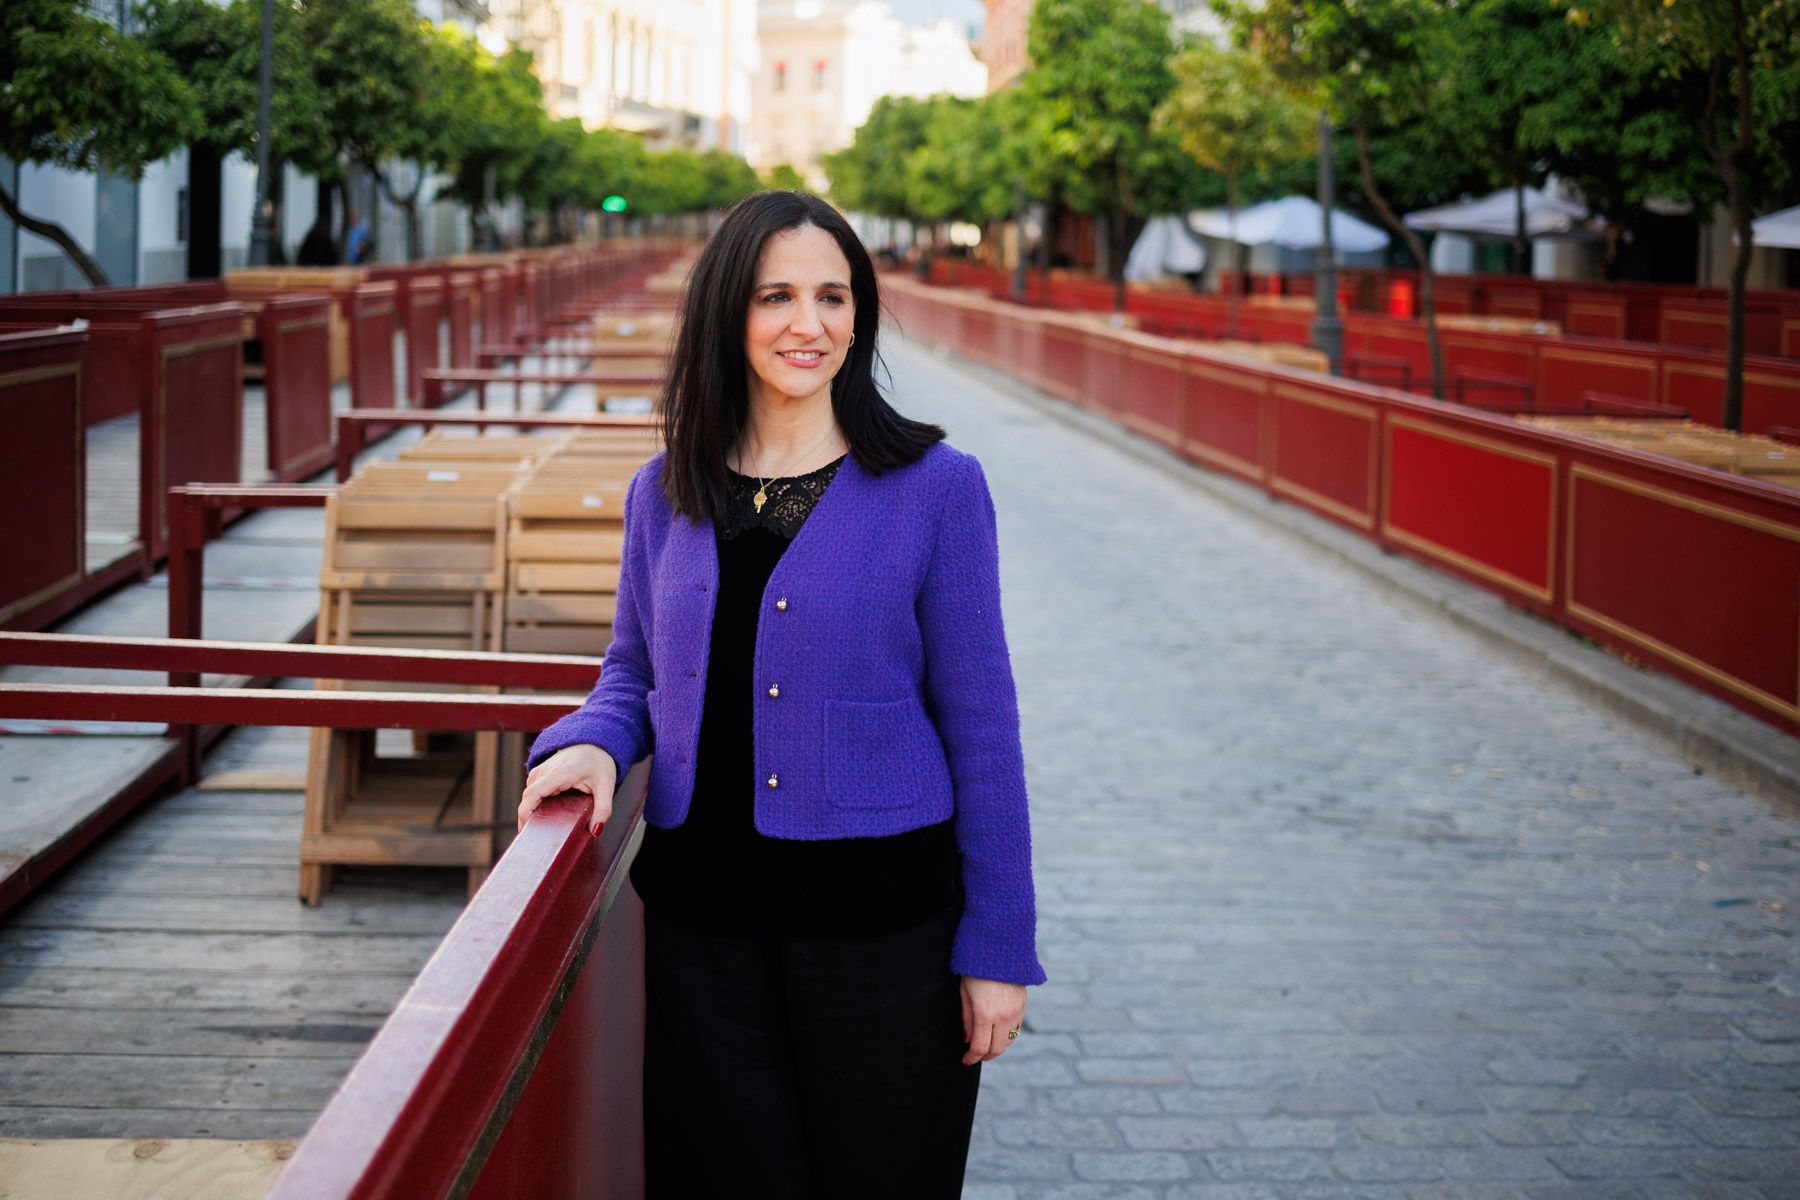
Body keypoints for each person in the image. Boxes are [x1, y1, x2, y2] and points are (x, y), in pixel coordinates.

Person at [516, 190, 1046, 1198]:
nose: (811, 324)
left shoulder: (938, 488)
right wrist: (591, 740)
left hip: (885, 941)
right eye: (777, 297)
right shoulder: (664, 490)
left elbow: (982, 728)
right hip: (702, 939)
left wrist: (998, 946)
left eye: (833, 297)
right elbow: (633, 668)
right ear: (728, 312)